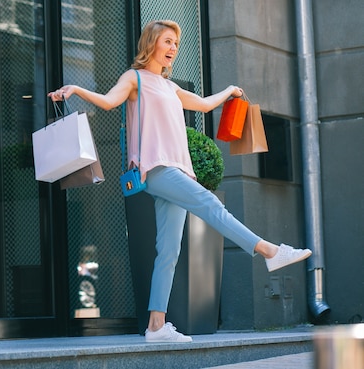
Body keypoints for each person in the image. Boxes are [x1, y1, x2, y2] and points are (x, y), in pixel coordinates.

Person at [49, 20, 312, 343]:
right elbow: (108, 101)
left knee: (169, 251)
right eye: (168, 41)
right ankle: (269, 251)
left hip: (178, 170)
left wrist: (230, 91)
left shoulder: (170, 87)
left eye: (176, 43)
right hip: (156, 168)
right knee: (211, 204)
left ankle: (156, 326)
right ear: (152, 44)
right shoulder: (135, 79)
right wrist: (75, 89)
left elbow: (202, 104)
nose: (173, 48)